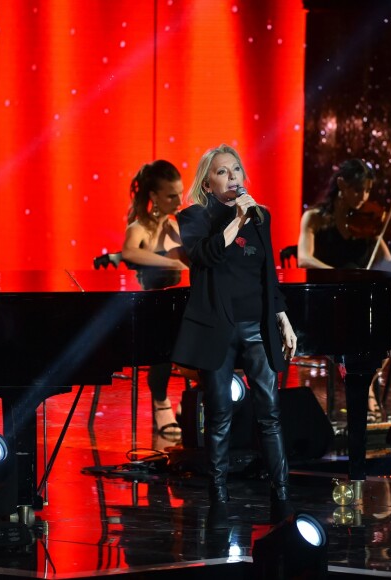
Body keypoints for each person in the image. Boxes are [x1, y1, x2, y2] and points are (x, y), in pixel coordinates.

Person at [171, 144, 297, 527]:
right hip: (217, 327)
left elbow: (267, 272)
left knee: (269, 413)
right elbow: (203, 256)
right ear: (208, 183)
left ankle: (282, 494)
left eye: (237, 170)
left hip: (256, 324)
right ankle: (219, 496)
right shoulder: (193, 217)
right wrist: (234, 223)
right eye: (223, 172)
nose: (233, 178)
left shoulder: (261, 216)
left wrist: (283, 317)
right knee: (220, 414)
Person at [297, 158, 391, 423]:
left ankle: (364, 384)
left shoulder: (367, 223)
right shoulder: (315, 218)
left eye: (367, 191)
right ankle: (364, 390)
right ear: (341, 184)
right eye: (357, 190)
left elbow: (386, 262)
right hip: (324, 302)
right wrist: (344, 275)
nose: (363, 197)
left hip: (359, 306)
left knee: (384, 329)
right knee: (366, 328)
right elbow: (304, 259)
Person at [122, 160, 189, 439]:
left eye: (180, 193)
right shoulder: (139, 228)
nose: (178, 200)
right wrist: (174, 265)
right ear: (154, 197)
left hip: (180, 309)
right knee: (166, 333)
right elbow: (129, 253)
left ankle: (194, 402)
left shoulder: (176, 227)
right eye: (172, 195)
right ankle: (161, 401)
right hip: (148, 314)